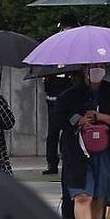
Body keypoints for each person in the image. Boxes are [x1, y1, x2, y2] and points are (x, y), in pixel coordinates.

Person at [57, 64, 110, 219]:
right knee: (82, 194)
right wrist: (78, 121)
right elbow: (58, 120)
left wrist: (99, 117)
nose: (98, 69)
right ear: (83, 70)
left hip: (105, 150)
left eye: (101, 65)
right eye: (93, 66)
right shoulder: (69, 96)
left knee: (99, 195)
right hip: (77, 152)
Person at [42, 13, 79, 175]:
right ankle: (67, 160)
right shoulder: (76, 43)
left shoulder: (53, 43)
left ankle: (53, 163)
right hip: (68, 93)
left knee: (54, 131)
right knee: (69, 129)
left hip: (55, 95)